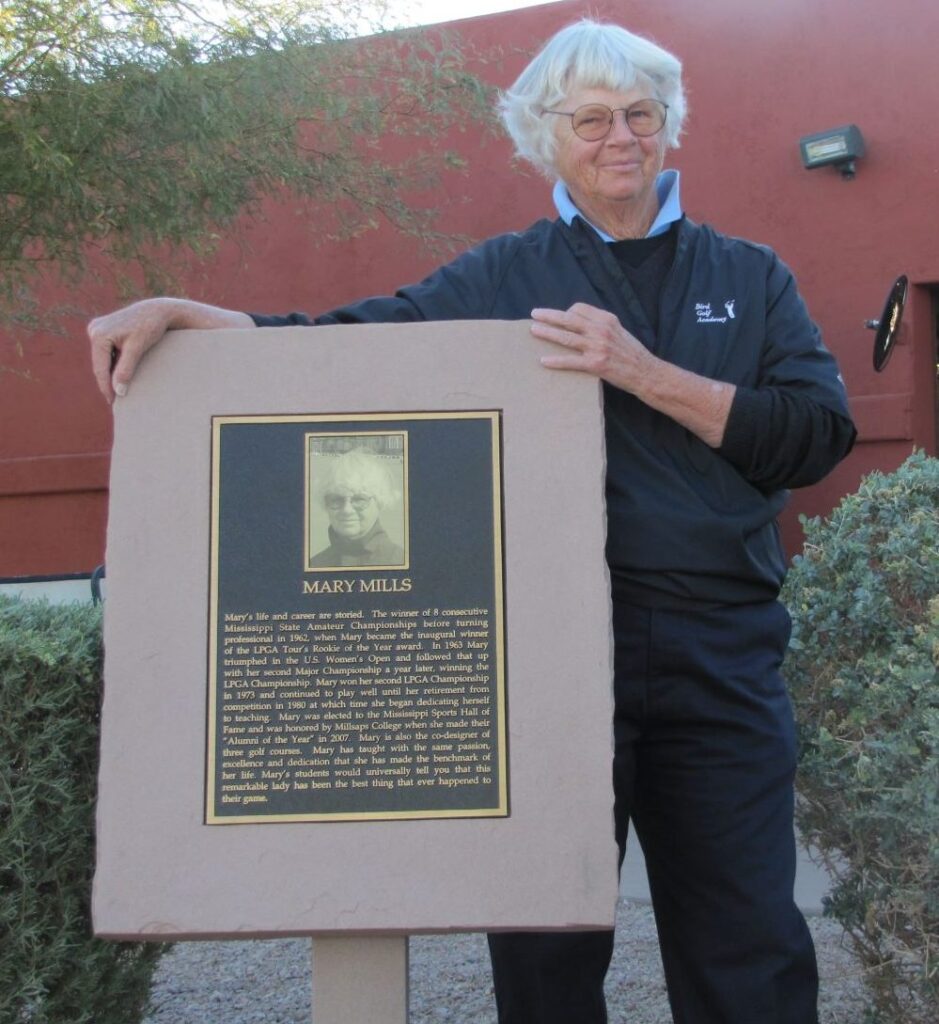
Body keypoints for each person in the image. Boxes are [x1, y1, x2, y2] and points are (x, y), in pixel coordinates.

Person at [88, 19, 856, 1024]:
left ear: (670, 127)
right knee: (544, 962)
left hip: (723, 651)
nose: (620, 136)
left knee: (748, 950)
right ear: (547, 137)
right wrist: (200, 326)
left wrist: (640, 371)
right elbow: (355, 349)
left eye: (641, 114)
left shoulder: (750, 275)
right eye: (592, 119)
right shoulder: (506, 272)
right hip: (548, 662)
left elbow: (814, 433)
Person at [309, 448, 405, 568]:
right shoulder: (315, 564)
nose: (346, 510)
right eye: (336, 499)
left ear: (380, 502)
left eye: (359, 499)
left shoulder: (400, 562)